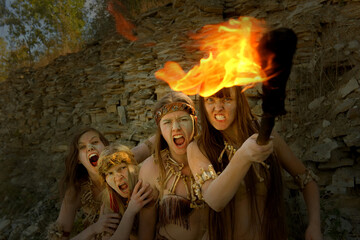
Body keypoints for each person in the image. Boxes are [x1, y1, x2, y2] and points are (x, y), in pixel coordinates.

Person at [187, 86, 322, 240]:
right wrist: (243, 155)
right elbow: (215, 200)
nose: (218, 108)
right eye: (210, 100)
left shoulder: (264, 136)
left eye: (227, 99)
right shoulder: (199, 148)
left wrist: (314, 225)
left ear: (240, 101)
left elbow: (306, 180)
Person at [47, 127, 155, 240]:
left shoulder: (125, 160)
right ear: (78, 158)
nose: (90, 147)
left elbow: (155, 140)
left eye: (94, 142)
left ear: (105, 146)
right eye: (82, 147)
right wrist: (94, 229)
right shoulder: (77, 190)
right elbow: (58, 236)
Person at [138, 92, 208, 240]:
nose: (175, 127)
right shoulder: (152, 168)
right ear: (160, 130)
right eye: (167, 122)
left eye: (183, 119)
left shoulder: (212, 156)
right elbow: (146, 226)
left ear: (194, 122)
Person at [97, 143, 153, 240]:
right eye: (110, 173)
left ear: (134, 166)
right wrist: (130, 211)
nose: (118, 177)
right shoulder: (110, 201)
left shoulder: (148, 184)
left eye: (122, 168)